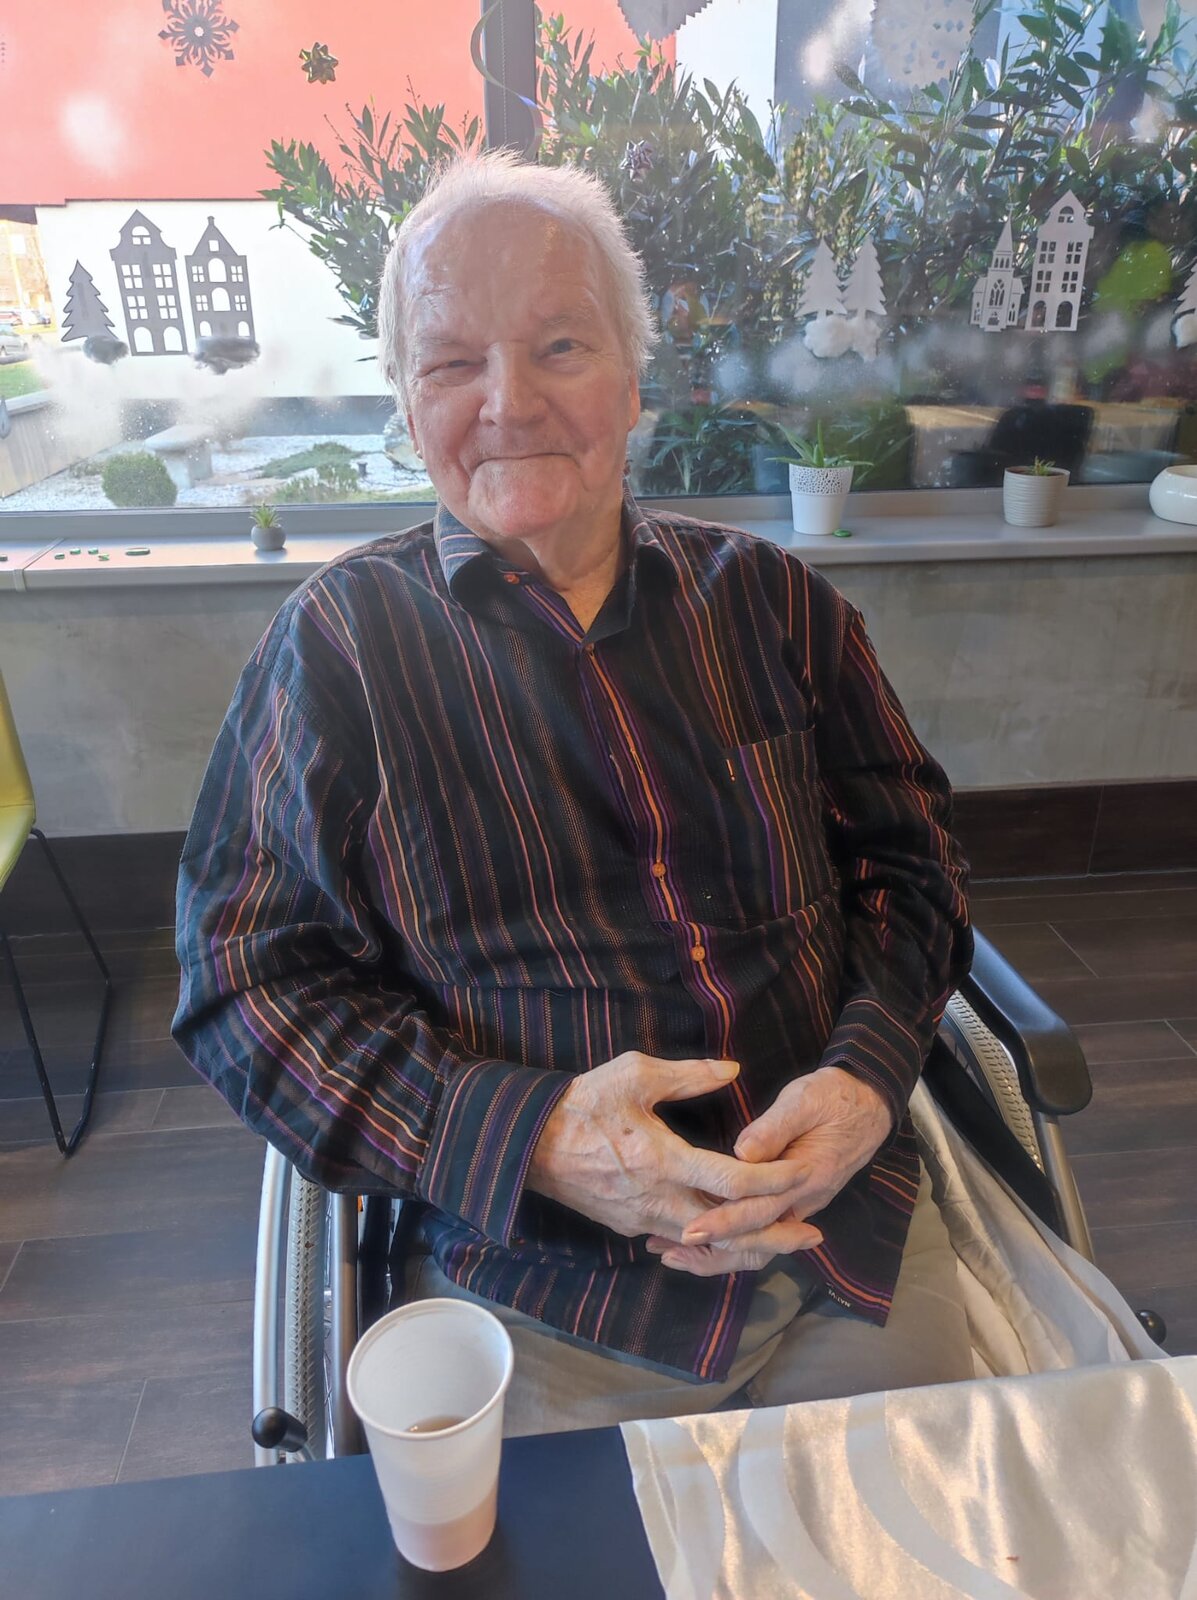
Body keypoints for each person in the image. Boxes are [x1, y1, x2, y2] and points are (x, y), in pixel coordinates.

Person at [174, 151, 974, 1436]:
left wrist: (872, 1077)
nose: (509, 403)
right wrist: (531, 1135)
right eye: (452, 362)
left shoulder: (775, 606)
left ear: (635, 380)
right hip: (549, 1293)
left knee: (920, 1529)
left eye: (560, 345)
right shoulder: (337, 654)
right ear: (407, 402)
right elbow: (242, 985)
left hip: (839, 1237)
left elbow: (912, 861)